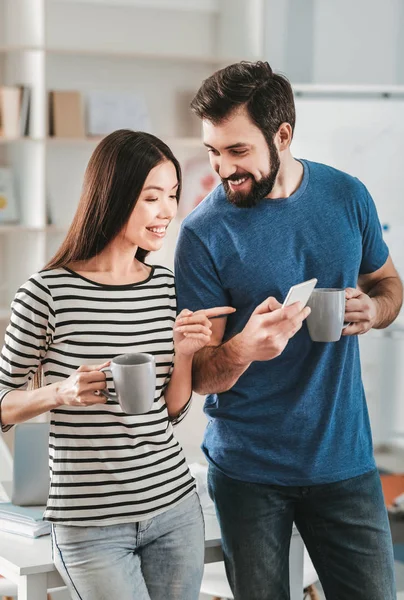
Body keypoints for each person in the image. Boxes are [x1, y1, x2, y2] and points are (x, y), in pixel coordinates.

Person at [174, 61, 403, 600]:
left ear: (282, 135)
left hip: (344, 461)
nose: (222, 169)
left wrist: (375, 310)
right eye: (213, 151)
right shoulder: (203, 233)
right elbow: (201, 374)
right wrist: (243, 348)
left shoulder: (347, 196)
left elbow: (388, 283)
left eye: (237, 151)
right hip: (248, 472)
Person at [0, 129, 234, 600]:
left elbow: (168, 412)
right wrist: (59, 393)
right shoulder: (46, 293)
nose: (168, 211)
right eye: (152, 197)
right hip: (89, 527)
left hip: (173, 507)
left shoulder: (166, 287)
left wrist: (185, 353)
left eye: (171, 195)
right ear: (114, 195)